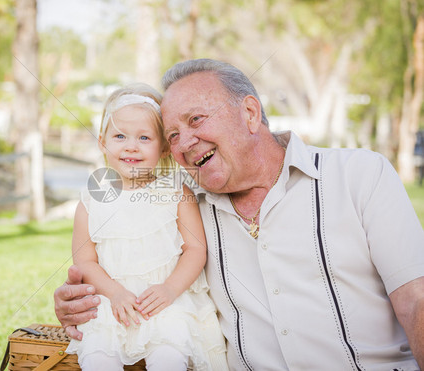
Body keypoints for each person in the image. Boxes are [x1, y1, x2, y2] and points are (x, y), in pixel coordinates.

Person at [55, 59, 424, 370]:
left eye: (196, 120)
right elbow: (115, 254)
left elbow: (416, 300)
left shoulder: (359, 174)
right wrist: (78, 300)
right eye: (173, 135)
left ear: (249, 113)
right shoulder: (184, 205)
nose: (183, 144)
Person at [64, 83, 229, 371]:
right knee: (98, 357)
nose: (131, 146)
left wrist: (169, 289)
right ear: (102, 142)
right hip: (112, 303)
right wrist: (113, 293)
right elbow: (85, 260)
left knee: (169, 355)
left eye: (144, 137)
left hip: (166, 302)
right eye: (119, 136)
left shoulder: (176, 193)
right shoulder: (91, 200)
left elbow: (195, 249)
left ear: (164, 146)